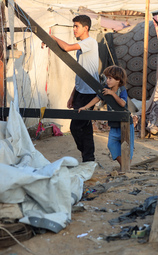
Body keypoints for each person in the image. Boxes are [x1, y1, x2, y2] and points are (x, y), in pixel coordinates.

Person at [42, 15, 99, 162]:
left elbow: (66, 48)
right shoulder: (82, 45)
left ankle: (88, 156)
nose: (74, 29)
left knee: (75, 127)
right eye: (73, 26)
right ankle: (88, 158)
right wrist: (73, 95)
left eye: (76, 26)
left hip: (89, 93)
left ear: (86, 28)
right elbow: (81, 73)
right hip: (81, 91)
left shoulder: (90, 42)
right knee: (85, 128)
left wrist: (52, 37)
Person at [78, 65, 134, 171]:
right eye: (107, 78)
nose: (107, 81)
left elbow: (122, 103)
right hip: (113, 124)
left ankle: (125, 167)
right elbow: (97, 98)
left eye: (110, 78)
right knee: (112, 145)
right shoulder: (106, 89)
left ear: (118, 80)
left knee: (127, 147)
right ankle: (126, 167)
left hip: (126, 124)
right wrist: (86, 107)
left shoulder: (122, 90)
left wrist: (112, 94)